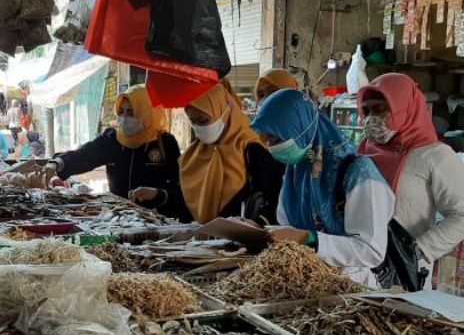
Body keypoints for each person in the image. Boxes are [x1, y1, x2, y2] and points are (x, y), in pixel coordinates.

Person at [252, 89, 395, 286]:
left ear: (302, 128)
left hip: (351, 289)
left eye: (277, 140)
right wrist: (260, 231)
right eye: (267, 140)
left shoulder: (357, 172)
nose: (271, 147)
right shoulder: (297, 170)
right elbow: (289, 228)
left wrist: (311, 239)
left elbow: (371, 250)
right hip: (305, 284)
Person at [358, 73, 464, 282]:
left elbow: (461, 215)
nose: (371, 118)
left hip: (404, 269)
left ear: (404, 107)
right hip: (359, 264)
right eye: (367, 110)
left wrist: (417, 250)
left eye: (380, 109)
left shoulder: (435, 156)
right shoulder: (362, 152)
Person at [136, 80, 284, 224]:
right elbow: (188, 202)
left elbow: (271, 200)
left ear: (224, 113)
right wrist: (159, 195)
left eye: (203, 120)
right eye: (193, 122)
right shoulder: (194, 155)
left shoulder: (252, 150)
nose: (198, 128)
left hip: (239, 244)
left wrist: (256, 223)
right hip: (201, 242)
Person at [47, 85, 184, 219]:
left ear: (147, 113)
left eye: (131, 113)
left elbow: (181, 190)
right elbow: (85, 155)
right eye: (121, 112)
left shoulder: (165, 143)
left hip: (157, 221)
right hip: (118, 219)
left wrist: (157, 195)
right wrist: (59, 162)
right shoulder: (112, 139)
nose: (124, 118)